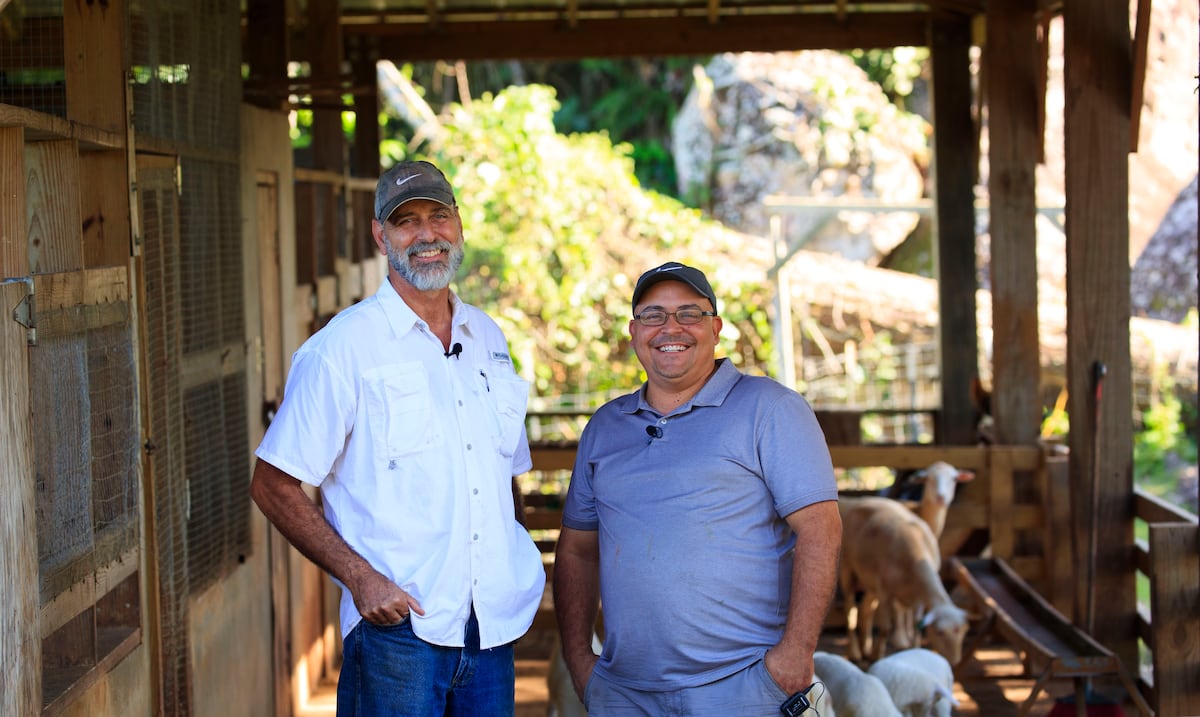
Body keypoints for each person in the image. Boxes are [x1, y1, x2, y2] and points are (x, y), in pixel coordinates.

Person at [250, 160, 545, 717]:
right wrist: (361, 579)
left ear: (459, 225)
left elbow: (504, 475)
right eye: (406, 221)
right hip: (399, 634)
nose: (427, 235)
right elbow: (273, 484)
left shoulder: (487, 336)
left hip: (490, 634)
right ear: (380, 236)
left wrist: (515, 569)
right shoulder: (342, 348)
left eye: (439, 216)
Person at [553, 261, 842, 716]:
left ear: (716, 328)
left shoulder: (771, 409)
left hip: (744, 688)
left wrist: (794, 657)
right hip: (625, 695)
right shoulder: (604, 428)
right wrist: (579, 659)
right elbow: (577, 551)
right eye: (653, 315)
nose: (671, 327)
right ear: (634, 331)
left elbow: (821, 529)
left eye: (690, 314)